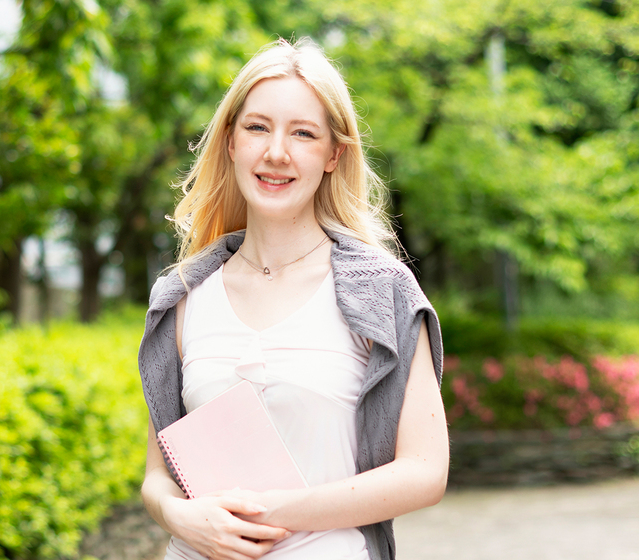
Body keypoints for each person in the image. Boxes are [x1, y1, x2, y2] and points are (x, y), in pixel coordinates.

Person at [138, 37, 448, 560]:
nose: (276, 152)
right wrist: (179, 515)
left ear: (333, 155)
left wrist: (270, 513)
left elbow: (424, 471)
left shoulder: (380, 291)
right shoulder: (183, 297)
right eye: (257, 127)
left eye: (303, 133)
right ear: (231, 141)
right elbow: (157, 475)